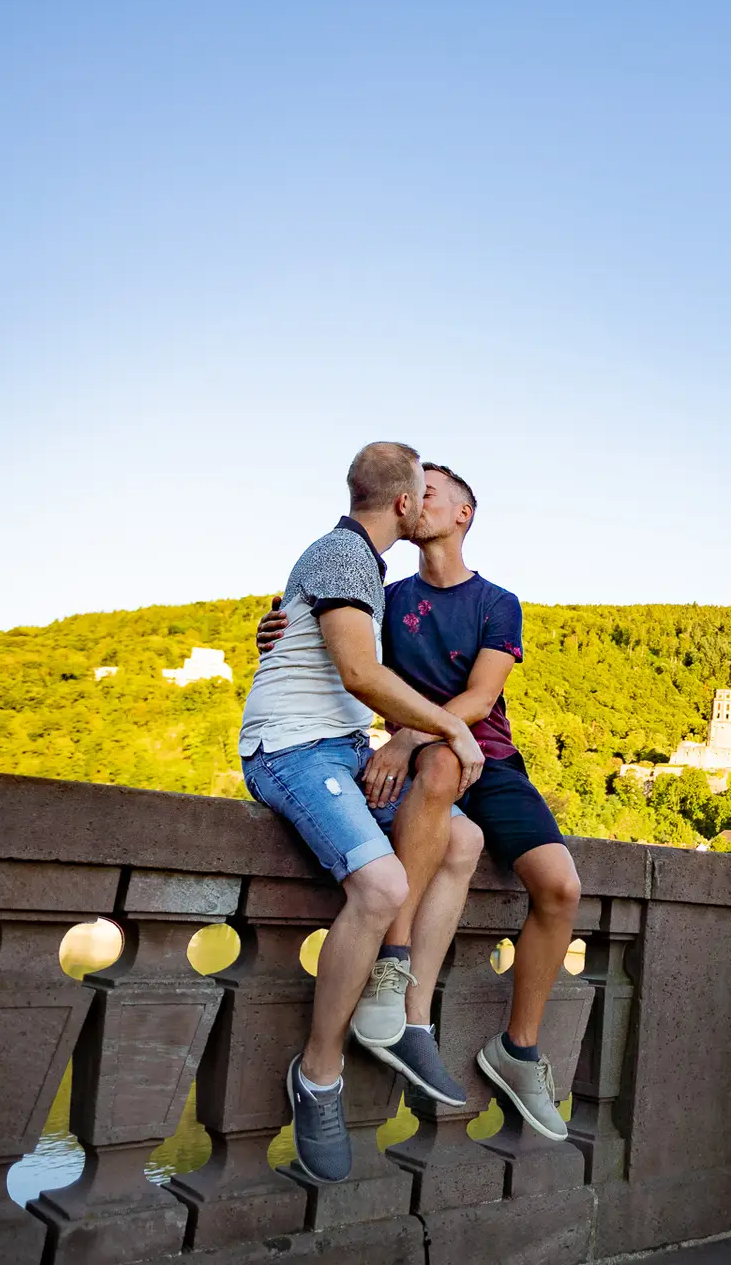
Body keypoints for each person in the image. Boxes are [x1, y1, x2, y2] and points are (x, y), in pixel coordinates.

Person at [257, 461, 583, 1142]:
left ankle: (519, 1052)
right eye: (416, 490)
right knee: (437, 778)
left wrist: (405, 737)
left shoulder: (498, 601)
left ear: (463, 514)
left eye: (433, 492)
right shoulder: (382, 590)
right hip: (430, 762)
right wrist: (279, 624)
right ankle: (395, 973)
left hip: (484, 757)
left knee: (560, 889)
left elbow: (480, 700)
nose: (419, 501)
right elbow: (342, 655)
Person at [238, 441, 486, 1183]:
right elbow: (358, 672)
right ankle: (318, 1076)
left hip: (339, 752)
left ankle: (406, 1011)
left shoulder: (358, 568)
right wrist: (448, 726)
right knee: (379, 886)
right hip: (292, 752)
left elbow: (334, 657)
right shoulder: (345, 558)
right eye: (424, 492)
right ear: (405, 504)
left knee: (460, 839)